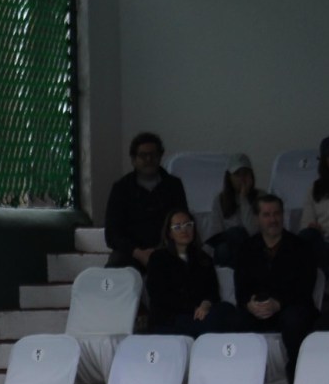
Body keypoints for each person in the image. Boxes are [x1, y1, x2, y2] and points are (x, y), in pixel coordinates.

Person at [234, 194, 317, 383]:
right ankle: (245, 381)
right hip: (258, 309)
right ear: (257, 218)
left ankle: (296, 380)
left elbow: (305, 287)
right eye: (267, 215)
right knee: (236, 320)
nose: (273, 219)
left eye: (277, 213)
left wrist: (279, 304)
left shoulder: (300, 247)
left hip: (290, 307)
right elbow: (241, 289)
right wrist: (250, 305)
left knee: (295, 319)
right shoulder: (247, 248)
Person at [145, 208, 237, 337]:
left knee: (227, 309)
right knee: (213, 322)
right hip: (170, 320)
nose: (184, 230)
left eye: (188, 225)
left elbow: (213, 292)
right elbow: (159, 295)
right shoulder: (158, 258)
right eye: (177, 227)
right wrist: (193, 308)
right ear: (169, 233)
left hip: (200, 315)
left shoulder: (204, 259)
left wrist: (206, 304)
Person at [104, 132, 188, 271]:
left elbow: (182, 222)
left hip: (167, 249)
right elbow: (112, 234)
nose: (149, 159)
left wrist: (161, 250)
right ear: (133, 159)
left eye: (153, 154)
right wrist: (138, 252)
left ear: (160, 156)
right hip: (131, 253)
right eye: (143, 155)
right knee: (116, 267)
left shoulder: (173, 186)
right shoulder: (121, 188)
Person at [205, 154, 266, 266]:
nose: (242, 178)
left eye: (245, 174)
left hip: (253, 245)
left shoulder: (261, 197)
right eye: (237, 174)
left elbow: (253, 231)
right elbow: (214, 235)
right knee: (228, 242)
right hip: (229, 247)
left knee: (238, 233)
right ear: (229, 177)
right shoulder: (220, 200)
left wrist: (243, 199)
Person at [298, 134, 329, 289]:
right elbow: (306, 223)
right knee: (307, 237)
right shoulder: (315, 188)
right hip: (321, 242)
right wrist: (314, 229)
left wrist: (324, 229)